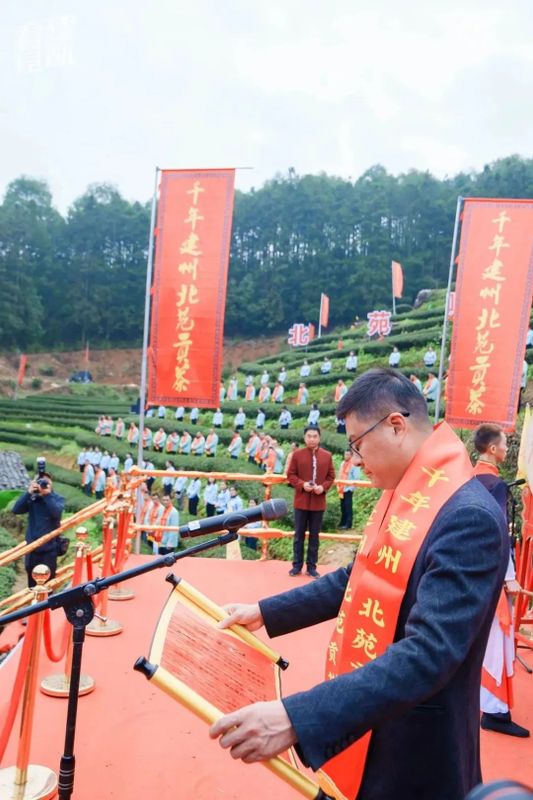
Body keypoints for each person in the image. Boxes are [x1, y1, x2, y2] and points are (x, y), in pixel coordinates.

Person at [210, 368, 508, 800]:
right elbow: (360, 576)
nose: (354, 459)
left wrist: (295, 717)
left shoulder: (466, 516)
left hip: (417, 751)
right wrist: (264, 612)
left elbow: (430, 653)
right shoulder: (407, 491)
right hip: (371, 724)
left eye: (357, 444)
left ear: (396, 426)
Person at [472, 424, 529, 738]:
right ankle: (495, 712)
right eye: (505, 444)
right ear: (493, 449)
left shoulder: (467, 478)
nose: (508, 449)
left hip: (473, 573)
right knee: (497, 641)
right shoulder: (495, 485)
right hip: (494, 575)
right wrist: (509, 576)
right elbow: (499, 534)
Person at [286, 425, 335, 578]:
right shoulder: (297, 455)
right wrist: (302, 485)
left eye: (315, 436)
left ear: (319, 438)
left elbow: (331, 476)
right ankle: (296, 566)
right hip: (301, 501)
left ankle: (311, 567)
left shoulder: (327, 456)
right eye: (309, 436)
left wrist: (323, 487)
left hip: (318, 503)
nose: (312, 439)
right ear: (304, 437)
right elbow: (291, 475)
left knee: (315, 536)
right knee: (298, 535)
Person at [13, 469, 65, 587]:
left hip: (49, 550)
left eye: (46, 481)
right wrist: (28, 492)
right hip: (32, 550)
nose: (43, 484)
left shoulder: (57, 498)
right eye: (40, 481)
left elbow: (56, 513)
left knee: (48, 585)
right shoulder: (33, 499)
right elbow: (16, 510)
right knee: (32, 585)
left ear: (51, 484)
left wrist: (47, 495)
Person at [337, 450, 361, 529]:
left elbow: (356, 478)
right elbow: (340, 474)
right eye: (345, 454)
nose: (346, 456)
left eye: (347, 455)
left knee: (348, 507)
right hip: (341, 488)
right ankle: (342, 522)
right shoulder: (342, 463)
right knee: (342, 506)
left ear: (351, 456)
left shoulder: (354, 465)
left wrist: (351, 488)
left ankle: (348, 524)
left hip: (348, 489)